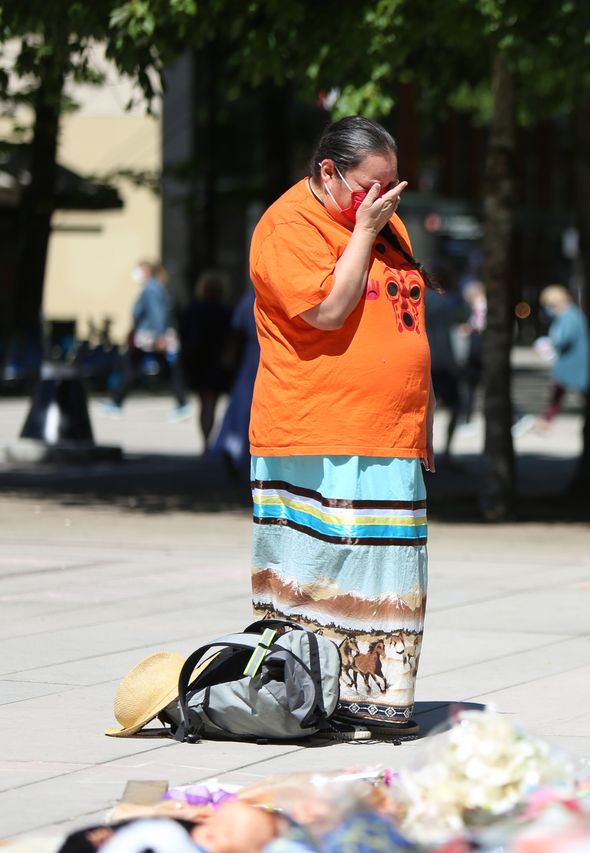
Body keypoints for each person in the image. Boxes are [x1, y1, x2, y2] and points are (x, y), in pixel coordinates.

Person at [246, 115, 430, 737]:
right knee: (319, 574)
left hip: (386, 432)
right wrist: (364, 232)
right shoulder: (288, 225)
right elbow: (326, 310)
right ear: (328, 171)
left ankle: (376, 704)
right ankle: (305, 699)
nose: (383, 199)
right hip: (317, 430)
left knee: (385, 574)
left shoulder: (378, 219)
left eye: (393, 186)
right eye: (370, 186)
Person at [99, 261, 190, 419]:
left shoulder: (151, 289)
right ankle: (117, 402)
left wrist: (160, 337)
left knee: (135, 367)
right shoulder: (154, 287)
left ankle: (116, 402)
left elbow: (157, 314)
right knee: (159, 369)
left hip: (151, 338)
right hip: (152, 337)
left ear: (147, 272)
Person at [208, 286, 259, 480]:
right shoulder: (254, 296)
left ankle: (234, 450)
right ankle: (234, 450)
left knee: (242, 406)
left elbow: (236, 330)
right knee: (245, 407)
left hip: (254, 357)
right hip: (262, 356)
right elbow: (236, 330)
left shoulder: (249, 296)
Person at [179, 270, 234, 451]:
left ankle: (205, 440)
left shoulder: (194, 309)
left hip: (199, 361)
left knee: (204, 403)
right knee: (211, 403)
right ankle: (207, 441)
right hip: (217, 362)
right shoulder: (225, 311)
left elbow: (184, 334)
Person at [531, 284, 590, 430]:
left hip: (573, 361)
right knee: (561, 391)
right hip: (570, 361)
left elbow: (565, 338)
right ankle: (546, 420)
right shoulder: (569, 315)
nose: (548, 309)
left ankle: (546, 420)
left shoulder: (569, 316)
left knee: (573, 390)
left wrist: (548, 345)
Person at [424, 280, 463, 458]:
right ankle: (447, 451)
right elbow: (450, 335)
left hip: (424, 360)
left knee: (423, 410)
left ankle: (422, 452)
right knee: (455, 406)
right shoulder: (446, 302)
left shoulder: (419, 299)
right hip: (443, 360)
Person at [458, 280, 486, 426]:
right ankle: (467, 417)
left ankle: (467, 418)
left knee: (473, 382)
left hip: (478, 347)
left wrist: (470, 329)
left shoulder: (480, 304)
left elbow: (480, 324)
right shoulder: (480, 304)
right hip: (479, 346)